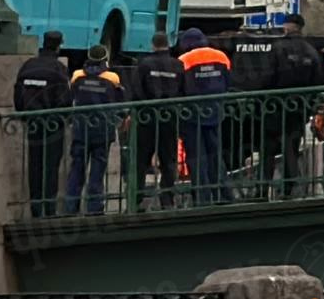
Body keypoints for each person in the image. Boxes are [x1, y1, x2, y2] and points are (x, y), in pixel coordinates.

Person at [263, 13, 324, 199]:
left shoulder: (277, 48)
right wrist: (309, 106)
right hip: (299, 109)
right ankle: (288, 191)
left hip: (276, 108)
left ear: (286, 27)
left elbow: (267, 78)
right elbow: (318, 82)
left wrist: (263, 98)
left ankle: (262, 190)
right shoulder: (311, 51)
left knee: (268, 148)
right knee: (291, 149)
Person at [12, 30, 71, 217]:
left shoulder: (28, 65)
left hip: (33, 124)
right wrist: (63, 118)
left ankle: (35, 208)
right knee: (51, 167)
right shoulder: (58, 68)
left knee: (35, 165)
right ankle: (49, 209)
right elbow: (64, 98)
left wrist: (23, 115)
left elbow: (18, 92)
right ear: (58, 45)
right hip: (52, 125)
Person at [64, 45, 123, 216]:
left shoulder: (77, 76)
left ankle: (70, 207)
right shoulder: (112, 78)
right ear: (105, 59)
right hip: (102, 131)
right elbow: (120, 103)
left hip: (80, 129)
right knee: (97, 171)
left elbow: (70, 98)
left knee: (77, 169)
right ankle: (94, 208)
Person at [178, 28, 233, 205]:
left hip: (192, 115)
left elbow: (181, 89)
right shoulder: (221, 56)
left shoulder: (184, 60)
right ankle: (224, 195)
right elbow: (228, 83)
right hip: (216, 111)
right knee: (215, 155)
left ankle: (202, 198)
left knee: (196, 158)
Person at [132, 32, 184, 210]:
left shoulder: (144, 64)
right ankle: (167, 199)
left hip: (147, 118)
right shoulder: (178, 65)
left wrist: (143, 108)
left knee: (140, 159)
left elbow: (136, 91)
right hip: (169, 117)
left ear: (152, 45)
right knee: (169, 159)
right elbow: (184, 91)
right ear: (168, 44)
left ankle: (136, 199)